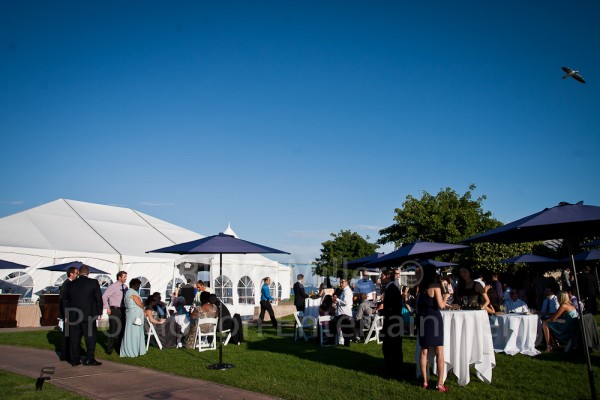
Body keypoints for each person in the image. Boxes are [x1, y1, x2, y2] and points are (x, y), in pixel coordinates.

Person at [416, 266, 449, 392]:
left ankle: (425, 381)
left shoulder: (421, 286)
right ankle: (440, 383)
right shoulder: (435, 285)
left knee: (424, 351)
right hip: (434, 319)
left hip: (423, 318)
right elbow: (440, 305)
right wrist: (446, 294)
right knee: (439, 350)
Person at [63, 264, 103, 366]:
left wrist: (67, 314)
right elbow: (98, 298)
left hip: (74, 315)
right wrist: (99, 312)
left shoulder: (70, 284)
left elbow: (65, 300)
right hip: (89, 314)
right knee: (90, 338)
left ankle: (75, 360)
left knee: (74, 338)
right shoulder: (93, 282)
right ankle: (90, 359)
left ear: (79, 273)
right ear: (88, 272)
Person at [381, 267, 403, 379]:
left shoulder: (392, 289)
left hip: (392, 321)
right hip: (394, 320)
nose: (381, 278)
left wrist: (384, 312)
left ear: (388, 276)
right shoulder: (391, 288)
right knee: (393, 346)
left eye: (382, 276)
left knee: (391, 345)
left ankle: (392, 369)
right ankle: (394, 367)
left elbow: (392, 306)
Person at [102, 271, 128, 355]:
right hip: (115, 309)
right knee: (113, 330)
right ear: (119, 277)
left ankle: (120, 347)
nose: (125, 278)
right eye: (124, 277)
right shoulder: (113, 286)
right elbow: (104, 297)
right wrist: (107, 307)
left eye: (126, 277)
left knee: (122, 329)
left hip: (123, 310)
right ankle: (109, 349)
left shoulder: (125, 287)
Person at [120, 279, 146, 357]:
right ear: (134, 284)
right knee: (134, 333)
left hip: (131, 314)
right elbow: (140, 304)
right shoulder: (133, 293)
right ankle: (133, 350)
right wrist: (143, 306)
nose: (138, 287)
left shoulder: (127, 292)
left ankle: (132, 349)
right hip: (135, 316)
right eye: (138, 285)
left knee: (130, 332)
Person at [58, 266, 79, 362]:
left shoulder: (71, 284)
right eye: (76, 273)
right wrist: (66, 315)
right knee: (66, 335)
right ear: (71, 274)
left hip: (70, 313)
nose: (77, 275)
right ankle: (64, 354)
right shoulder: (66, 285)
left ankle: (68, 352)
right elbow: (64, 301)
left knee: (69, 334)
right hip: (67, 314)